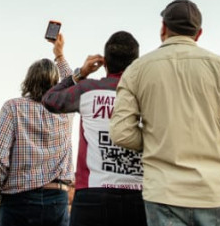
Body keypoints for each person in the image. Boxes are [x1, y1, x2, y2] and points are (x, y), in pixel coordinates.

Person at [110, 0, 220, 226]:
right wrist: (209, 136)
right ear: (198, 34)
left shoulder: (137, 70)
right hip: (216, 192)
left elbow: (121, 133)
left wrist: (158, 139)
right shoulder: (219, 66)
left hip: (164, 193)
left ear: (163, 28)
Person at [42, 31, 146, 226]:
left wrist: (80, 73)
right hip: (139, 197)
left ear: (104, 63)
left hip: (92, 196)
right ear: (136, 64)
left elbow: (50, 100)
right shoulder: (149, 95)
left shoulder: (88, 89)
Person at [0, 33, 74, 226]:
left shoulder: (12, 108)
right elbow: (72, 82)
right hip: (56, 198)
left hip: (17, 200)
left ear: (28, 80)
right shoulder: (65, 110)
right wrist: (59, 55)